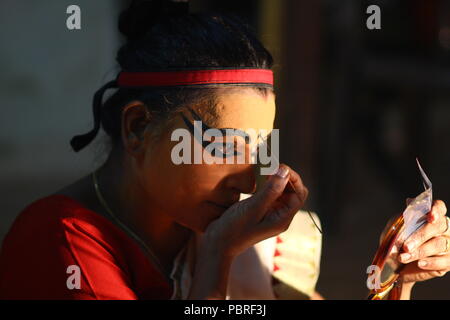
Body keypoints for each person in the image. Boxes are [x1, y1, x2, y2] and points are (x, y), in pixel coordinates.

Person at [0, 0, 448, 300]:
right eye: (225, 148)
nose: (248, 180)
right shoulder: (62, 247)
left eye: (259, 150)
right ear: (137, 128)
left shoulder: (221, 232)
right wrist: (217, 258)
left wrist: (395, 277)